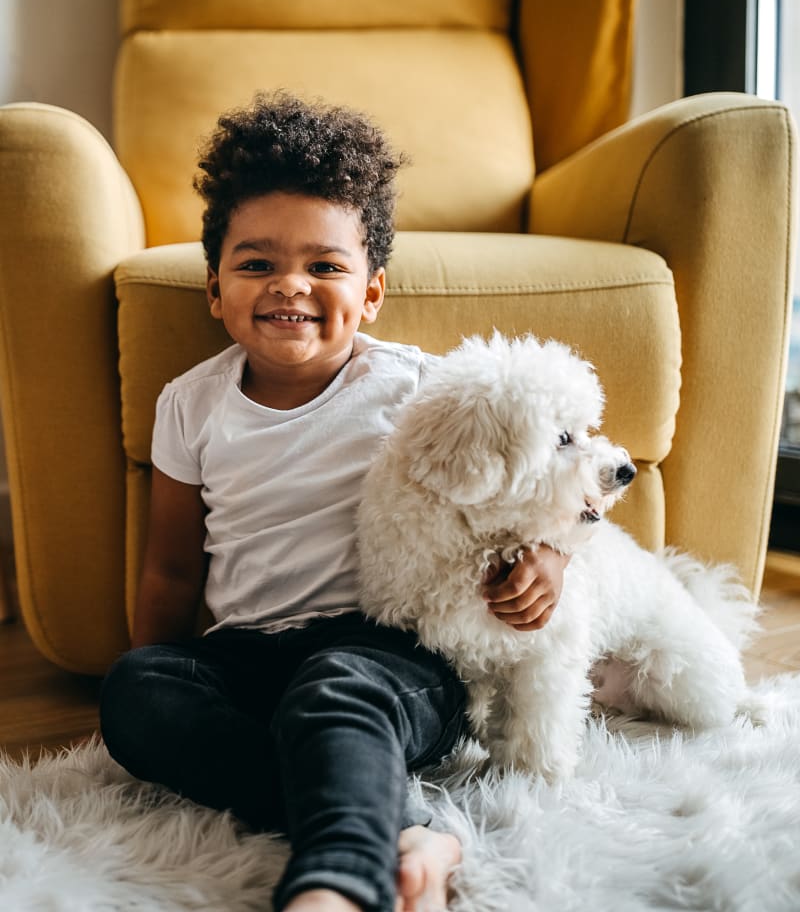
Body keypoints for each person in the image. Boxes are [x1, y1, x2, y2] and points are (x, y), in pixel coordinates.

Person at [99, 91, 568, 912]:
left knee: (334, 691)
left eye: (324, 266)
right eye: (256, 264)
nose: (291, 286)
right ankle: (408, 826)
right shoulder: (190, 404)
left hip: (388, 657)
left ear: (372, 292)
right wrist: (165, 678)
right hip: (248, 655)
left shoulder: (420, 390)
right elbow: (173, 570)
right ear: (215, 288)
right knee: (135, 693)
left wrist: (549, 560)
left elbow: (545, 490)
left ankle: (339, 883)